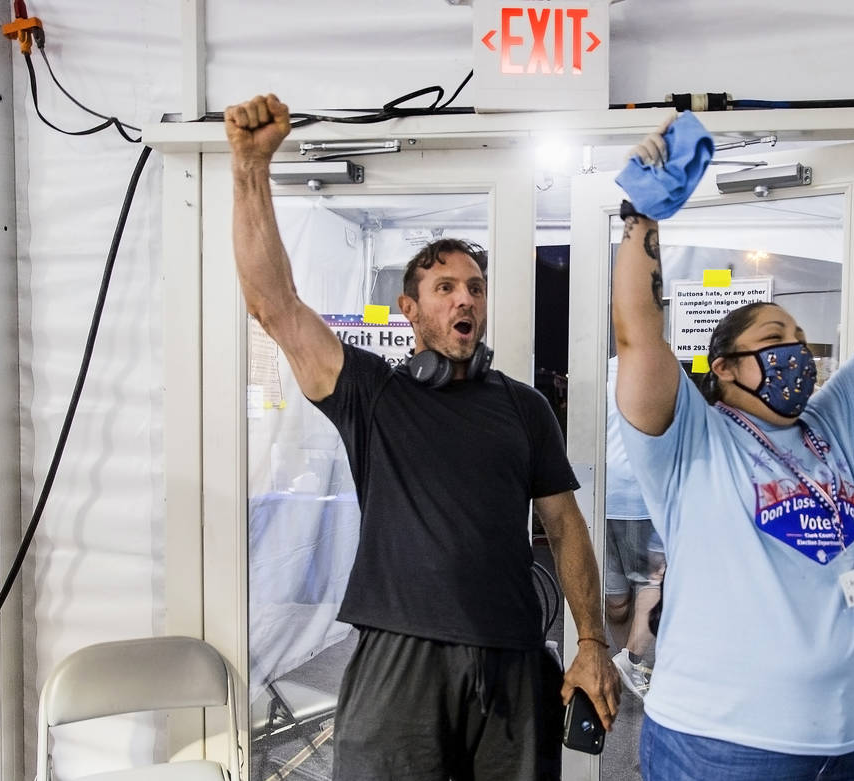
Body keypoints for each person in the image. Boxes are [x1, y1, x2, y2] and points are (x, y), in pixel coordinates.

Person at [225, 93, 620, 780]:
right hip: (400, 657)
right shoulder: (373, 392)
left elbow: (565, 525)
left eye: (474, 286)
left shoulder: (524, 408)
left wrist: (591, 638)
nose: (464, 298)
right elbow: (274, 306)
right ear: (410, 308)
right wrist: (250, 168)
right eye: (444, 287)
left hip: (512, 655)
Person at [611, 117, 854, 780]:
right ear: (725, 368)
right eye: (773, 337)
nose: (794, 349)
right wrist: (642, 219)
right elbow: (638, 338)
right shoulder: (691, 439)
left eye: (797, 334)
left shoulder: (832, 423)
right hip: (723, 741)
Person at [604, 356, 665, 699]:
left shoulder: (598, 371)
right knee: (650, 582)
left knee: (617, 599)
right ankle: (630, 661)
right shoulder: (659, 369)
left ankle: (628, 664)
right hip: (639, 496)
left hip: (603, 492)